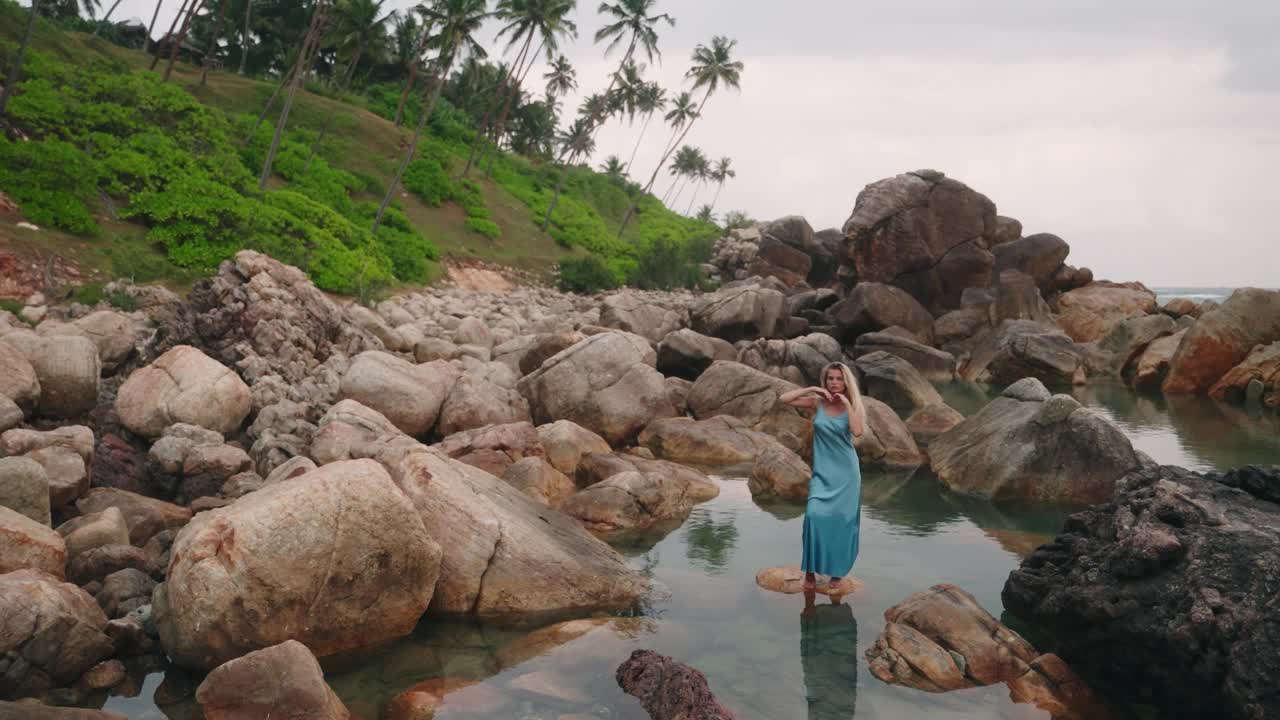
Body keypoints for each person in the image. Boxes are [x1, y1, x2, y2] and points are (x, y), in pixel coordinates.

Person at [779, 362, 866, 593]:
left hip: (846, 474)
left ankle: (836, 573)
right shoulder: (817, 403)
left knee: (842, 524)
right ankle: (810, 571)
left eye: (839, 379)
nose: (834, 382)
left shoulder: (852, 406)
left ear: (846, 382)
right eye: (830, 379)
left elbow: (858, 432)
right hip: (822, 473)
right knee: (814, 517)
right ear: (825, 381)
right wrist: (812, 390)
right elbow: (783, 399)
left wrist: (847, 402)